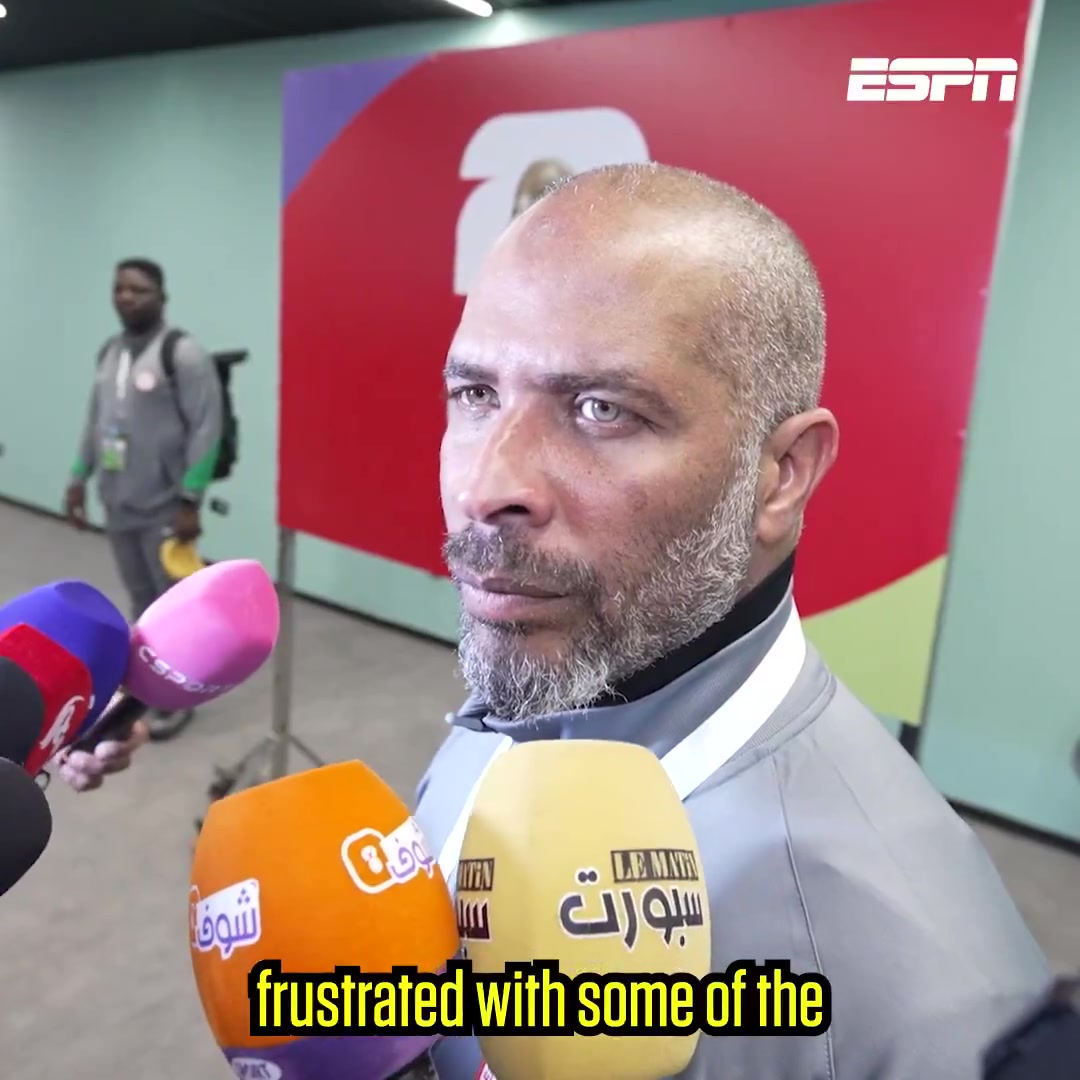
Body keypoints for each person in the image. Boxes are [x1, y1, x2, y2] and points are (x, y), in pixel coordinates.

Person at [63, 166, 1052, 1077]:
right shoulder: (562, 678)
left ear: (781, 474)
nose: (487, 486)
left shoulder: (922, 998)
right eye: (475, 393)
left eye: (600, 409)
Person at [63, 258, 223, 742]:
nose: (127, 297)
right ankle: (148, 689)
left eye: (138, 289)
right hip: (118, 503)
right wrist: (78, 476)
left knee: (173, 608)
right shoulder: (110, 351)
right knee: (140, 602)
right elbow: (96, 420)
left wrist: (191, 499)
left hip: (164, 508)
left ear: (161, 296)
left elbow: (207, 428)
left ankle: (178, 698)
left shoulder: (183, 354)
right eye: (120, 288)